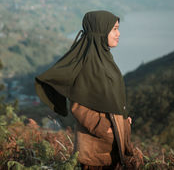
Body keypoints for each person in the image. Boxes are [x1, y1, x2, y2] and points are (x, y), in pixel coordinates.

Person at [35, 10, 133, 169]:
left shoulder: (104, 58)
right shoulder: (86, 65)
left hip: (114, 145)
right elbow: (78, 106)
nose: (118, 33)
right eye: (114, 29)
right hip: (95, 152)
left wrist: (124, 123)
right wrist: (105, 128)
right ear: (101, 30)